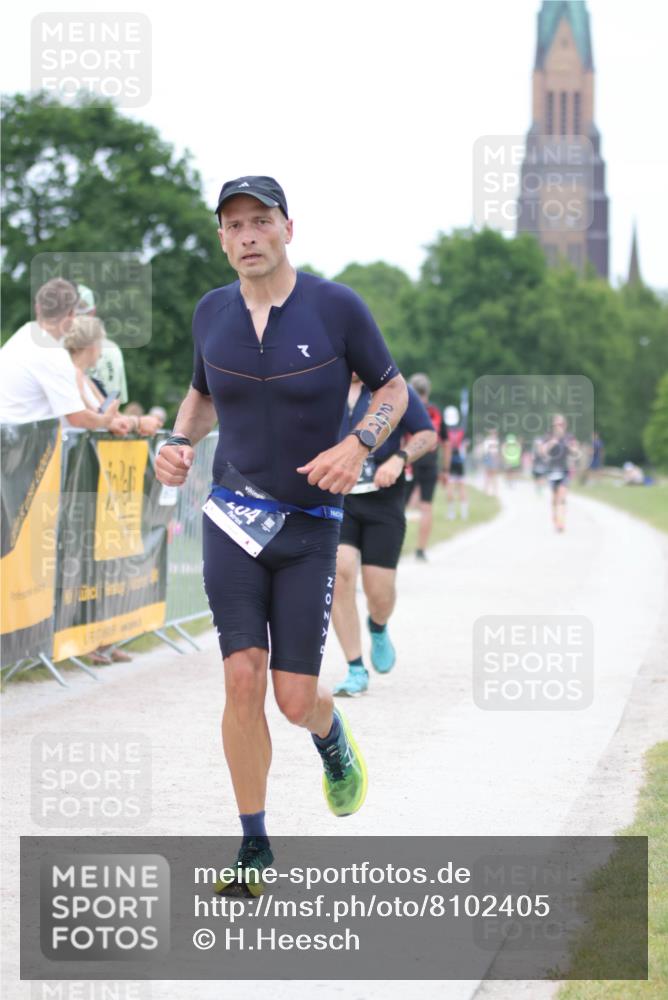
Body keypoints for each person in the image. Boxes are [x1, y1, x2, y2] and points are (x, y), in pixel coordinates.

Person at [154, 176, 407, 889]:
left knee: (295, 698)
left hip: (310, 524)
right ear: (223, 239)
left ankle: (331, 737)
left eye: (259, 222)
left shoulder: (335, 308)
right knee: (241, 678)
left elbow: (392, 390)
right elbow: (203, 395)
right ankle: (254, 845)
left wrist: (358, 446)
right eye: (233, 226)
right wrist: (175, 442)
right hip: (232, 517)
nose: (247, 237)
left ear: (287, 228)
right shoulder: (212, 313)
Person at [331, 376, 436, 696]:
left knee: (380, 595)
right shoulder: (322, 379)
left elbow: (427, 434)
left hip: (384, 500)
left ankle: (378, 626)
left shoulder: (391, 386)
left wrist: (399, 458)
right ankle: (355, 667)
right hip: (338, 497)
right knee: (340, 570)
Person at [0, 278, 120, 431]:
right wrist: (106, 420)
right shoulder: (53, 354)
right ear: (72, 314)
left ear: (38, 308)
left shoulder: (22, 336)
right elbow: (77, 418)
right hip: (22, 447)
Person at [403, 373, 446, 561]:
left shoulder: (407, 407)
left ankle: (394, 547)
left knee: (399, 508)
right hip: (430, 462)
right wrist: (445, 469)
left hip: (408, 461)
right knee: (426, 507)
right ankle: (420, 550)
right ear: (428, 390)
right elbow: (446, 442)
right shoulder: (436, 412)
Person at [77, 284, 130, 406]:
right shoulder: (113, 350)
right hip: (103, 421)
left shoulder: (52, 349)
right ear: (93, 311)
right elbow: (116, 401)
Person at [540, 414, 579, 532]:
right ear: (553, 426)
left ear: (565, 425)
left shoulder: (569, 437)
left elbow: (576, 452)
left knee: (562, 496)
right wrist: (553, 442)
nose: (558, 427)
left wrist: (570, 447)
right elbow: (542, 452)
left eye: (561, 424)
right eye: (556, 424)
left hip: (565, 470)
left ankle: (561, 522)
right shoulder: (548, 437)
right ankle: (555, 517)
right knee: (554, 498)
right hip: (552, 471)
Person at [442, 405, 468, 519]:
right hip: (460, 461)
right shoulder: (461, 431)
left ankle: (451, 513)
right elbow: (465, 445)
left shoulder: (445, 431)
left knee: (450, 487)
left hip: (450, 461)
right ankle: (464, 513)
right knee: (461, 486)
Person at [481, 428, 501, 496]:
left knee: (492, 475)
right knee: (489, 475)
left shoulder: (494, 440)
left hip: (492, 458)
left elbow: (496, 452)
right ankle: (487, 490)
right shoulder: (490, 440)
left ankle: (493, 490)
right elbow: (487, 451)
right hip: (490, 457)